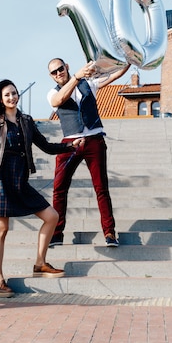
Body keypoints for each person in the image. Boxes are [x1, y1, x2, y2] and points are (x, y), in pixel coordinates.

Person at [0, 79, 84, 297]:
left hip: (20, 180)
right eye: (7, 95)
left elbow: (46, 146)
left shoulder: (26, 121)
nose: (12, 97)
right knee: (1, 230)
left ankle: (40, 263)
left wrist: (70, 145)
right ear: (0, 99)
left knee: (51, 216)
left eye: (14, 93)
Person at [46, 58, 129, 248]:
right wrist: (76, 76)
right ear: (51, 76)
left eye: (60, 69)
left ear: (66, 67)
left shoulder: (88, 84)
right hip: (70, 143)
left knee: (101, 188)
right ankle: (57, 234)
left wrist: (130, 61)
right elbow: (59, 101)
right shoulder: (53, 93)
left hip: (94, 139)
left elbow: (114, 75)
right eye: (54, 72)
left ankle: (109, 233)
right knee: (59, 189)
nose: (58, 73)